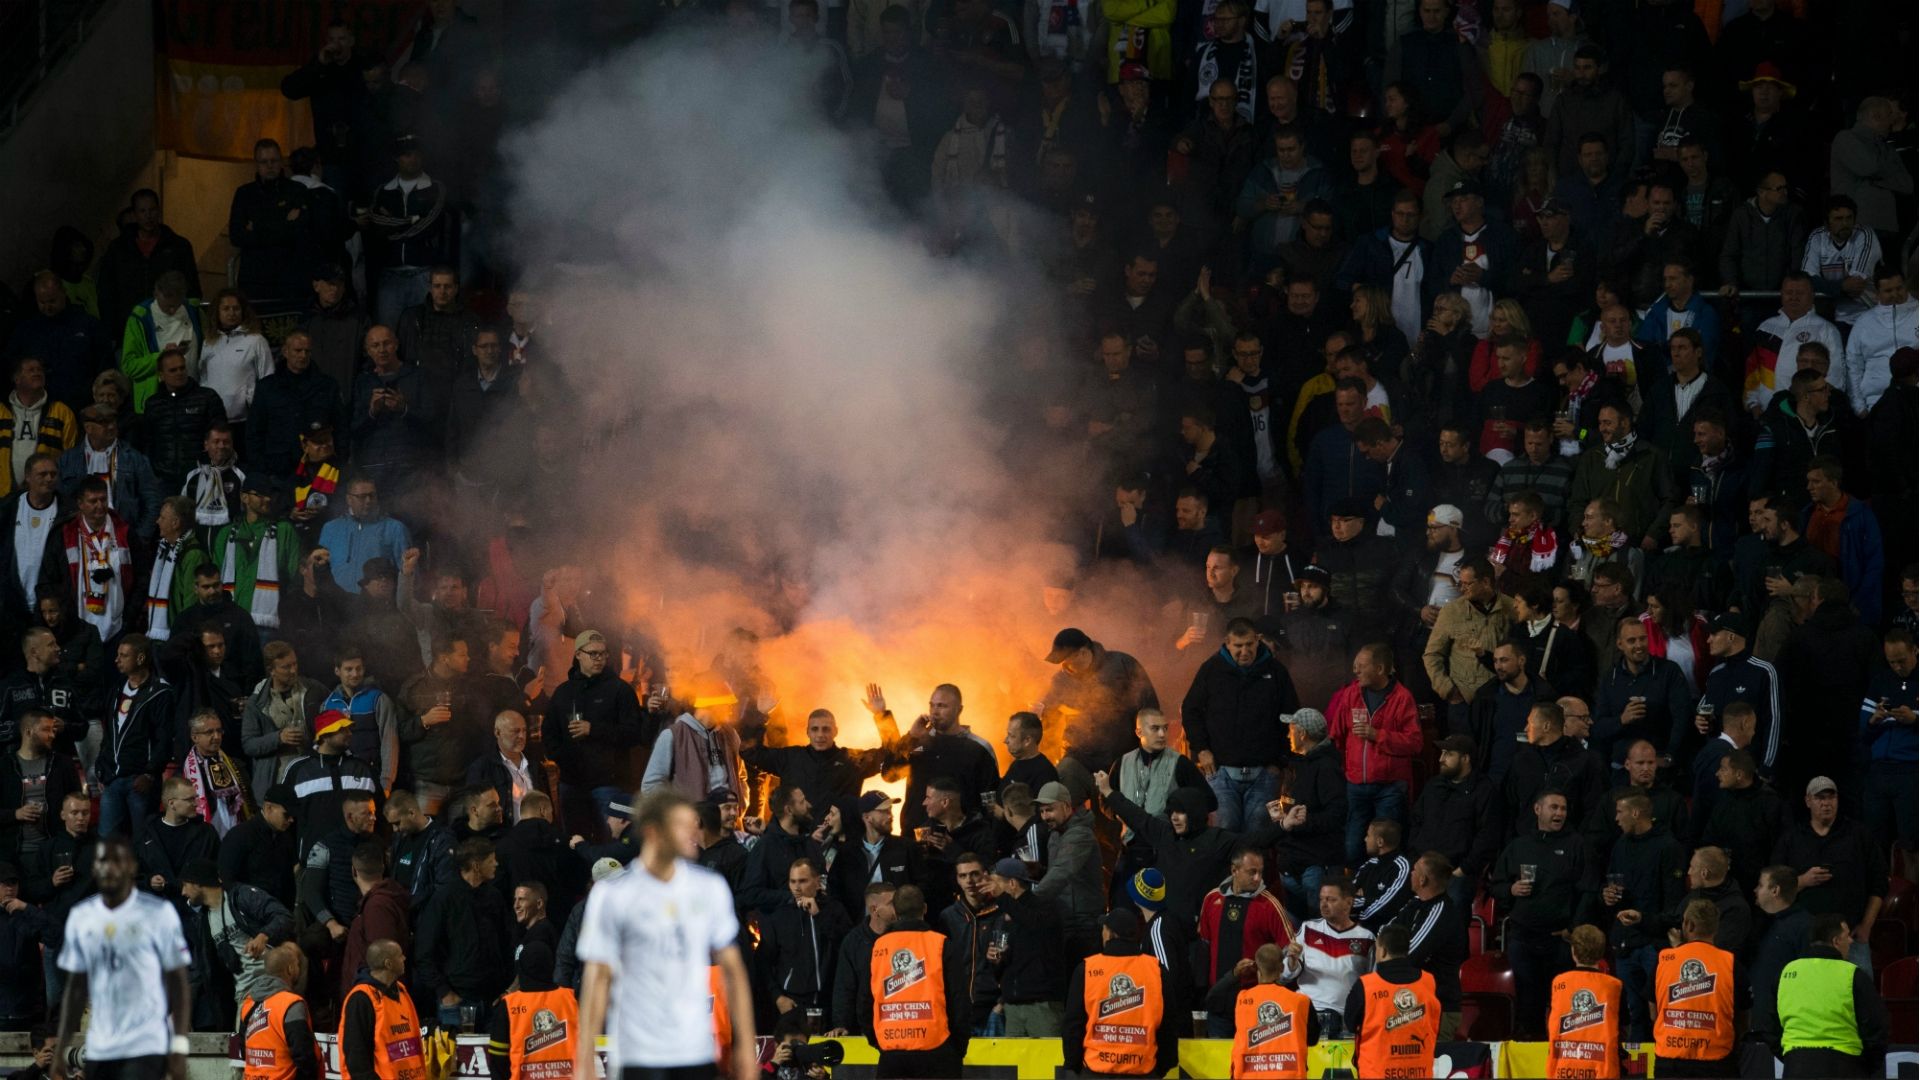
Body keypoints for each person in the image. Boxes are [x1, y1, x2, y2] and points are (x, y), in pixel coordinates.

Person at [575, 790, 756, 1080]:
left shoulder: (709, 888)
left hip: (694, 1047)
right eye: (682, 825)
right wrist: (584, 1055)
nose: (694, 831)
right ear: (653, 832)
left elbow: (733, 970)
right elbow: (597, 977)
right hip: (638, 1051)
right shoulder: (612, 895)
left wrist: (746, 1045)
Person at [50, 836, 191, 1080]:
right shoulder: (81, 917)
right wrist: (61, 1049)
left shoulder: (159, 914)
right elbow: (75, 989)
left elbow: (178, 984)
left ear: (132, 868)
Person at [1490, 789, 1599, 1037]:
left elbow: (1589, 890)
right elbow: (1496, 886)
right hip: (1523, 938)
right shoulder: (1518, 846)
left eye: (1563, 808)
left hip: (1560, 940)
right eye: (1554, 807)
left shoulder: (1577, 845)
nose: (1559, 813)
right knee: (1528, 1003)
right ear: (1537, 810)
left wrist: (1573, 929)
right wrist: (1511, 888)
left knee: (1563, 1003)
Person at [1772, 775, 1887, 975]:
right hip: (1804, 938)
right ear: (1808, 801)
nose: (1826, 804)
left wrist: (1866, 926)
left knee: (1859, 997)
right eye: (1820, 798)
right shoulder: (1792, 838)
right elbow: (1774, 887)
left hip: (1850, 937)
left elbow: (1879, 883)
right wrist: (1802, 881)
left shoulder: (1858, 835)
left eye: (1830, 798)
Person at [860, 883, 970, 1079]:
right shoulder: (941, 944)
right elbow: (959, 1001)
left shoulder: (877, 947)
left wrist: (880, 1044)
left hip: (892, 1054)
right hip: (937, 1050)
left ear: (894, 910)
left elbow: (864, 1003)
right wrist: (956, 1049)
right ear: (925, 909)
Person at [1324, 644, 1420, 862]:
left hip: (1390, 787)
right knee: (1352, 847)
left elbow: (1414, 743)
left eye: (1361, 666)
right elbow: (1336, 735)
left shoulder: (1402, 698)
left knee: (1385, 848)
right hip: (1356, 785)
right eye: (1355, 665)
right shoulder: (1350, 694)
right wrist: (1345, 769)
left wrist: (1378, 735)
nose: (1355, 670)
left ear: (1379, 669)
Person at [1062, 907, 1180, 1078]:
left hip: (1096, 1071)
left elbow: (1073, 1025)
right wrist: (1160, 1069)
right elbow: (1169, 1025)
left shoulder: (1087, 969)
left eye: (1104, 929)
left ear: (1110, 934)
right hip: (1142, 1071)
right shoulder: (1156, 970)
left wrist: (1074, 1066)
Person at [1770, 913, 1891, 1077]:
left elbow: (1768, 1023)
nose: (1851, 941)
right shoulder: (1853, 974)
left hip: (1796, 1066)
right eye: (1847, 936)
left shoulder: (1787, 972)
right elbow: (1878, 1027)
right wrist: (1864, 1067)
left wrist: (1791, 1057)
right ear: (1836, 941)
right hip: (1844, 1066)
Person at [1650, 899, 1736, 1077]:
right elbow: (1743, 1016)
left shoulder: (1663, 960)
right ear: (1716, 928)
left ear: (1688, 925)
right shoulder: (1730, 963)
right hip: (1716, 1061)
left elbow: (1653, 1011)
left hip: (1670, 1061)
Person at [1277, 881, 1373, 1039]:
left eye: (1331, 900)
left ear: (1349, 903)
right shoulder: (1308, 929)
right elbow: (1283, 976)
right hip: (1307, 1014)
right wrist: (1292, 960)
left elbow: (1371, 985)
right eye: (1322, 899)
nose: (1324, 904)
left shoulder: (1366, 938)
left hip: (1345, 1022)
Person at [1344, 924, 1439, 1079]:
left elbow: (1350, 1024)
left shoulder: (1366, 985)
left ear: (1382, 951)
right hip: (1419, 1071)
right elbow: (1435, 1024)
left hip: (1376, 1072)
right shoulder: (1429, 982)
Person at [1223, 943, 1318, 1078]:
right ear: (1282, 968)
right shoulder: (1301, 1001)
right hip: (1290, 1075)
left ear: (1257, 969)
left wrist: (1234, 973)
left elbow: (1212, 999)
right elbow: (1312, 1040)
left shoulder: (1241, 999)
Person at [484, 942, 575, 1080]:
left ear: (521, 967)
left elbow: (498, 1063)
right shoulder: (572, 999)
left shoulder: (508, 1005)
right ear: (551, 965)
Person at [1544, 924, 1623, 1080]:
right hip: (1602, 1071)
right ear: (1601, 954)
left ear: (1573, 952)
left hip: (1562, 1070)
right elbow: (1623, 1023)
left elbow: (1550, 1022)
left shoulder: (1558, 982)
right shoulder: (1614, 985)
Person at [337, 939, 423, 1080]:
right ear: (388, 964)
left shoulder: (401, 991)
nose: (404, 958)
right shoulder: (361, 999)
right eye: (400, 955)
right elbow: (356, 1055)